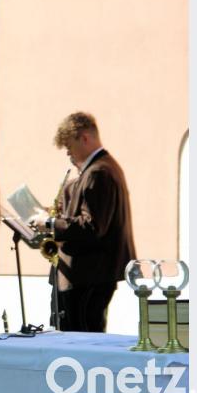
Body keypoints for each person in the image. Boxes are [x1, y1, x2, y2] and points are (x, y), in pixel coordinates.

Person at [30, 111, 137, 332]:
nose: (68, 154)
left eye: (69, 147)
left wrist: (50, 223)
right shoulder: (99, 169)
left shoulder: (99, 172)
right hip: (88, 274)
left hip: (89, 274)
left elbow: (92, 226)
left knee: (81, 341)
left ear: (84, 138)